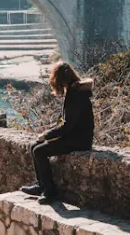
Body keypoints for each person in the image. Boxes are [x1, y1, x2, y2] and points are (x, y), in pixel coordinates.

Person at [20, 61, 94, 204]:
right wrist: (49, 134)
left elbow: (67, 126)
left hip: (79, 140)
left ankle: (50, 191)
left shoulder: (76, 95)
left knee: (39, 151)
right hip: (74, 136)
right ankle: (41, 185)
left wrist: (47, 135)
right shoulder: (75, 90)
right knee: (34, 146)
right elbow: (68, 123)